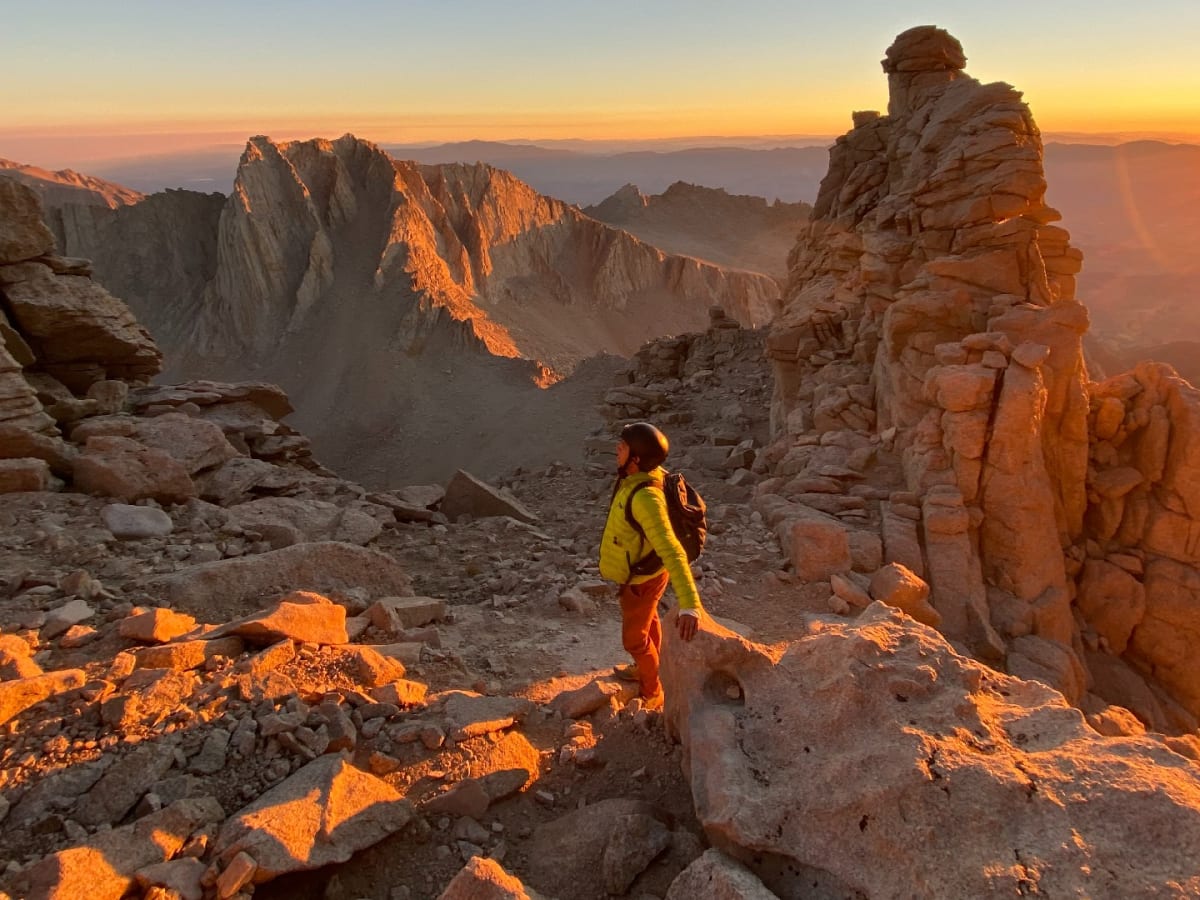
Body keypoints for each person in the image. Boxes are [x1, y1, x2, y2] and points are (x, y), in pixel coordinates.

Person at [598, 421, 703, 708]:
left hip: (641, 579)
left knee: (633, 640)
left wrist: (689, 604)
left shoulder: (645, 498)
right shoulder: (645, 474)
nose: (617, 449)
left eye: (624, 446)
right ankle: (653, 666)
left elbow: (672, 550)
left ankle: (652, 690)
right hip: (649, 571)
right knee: (648, 619)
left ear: (636, 458)